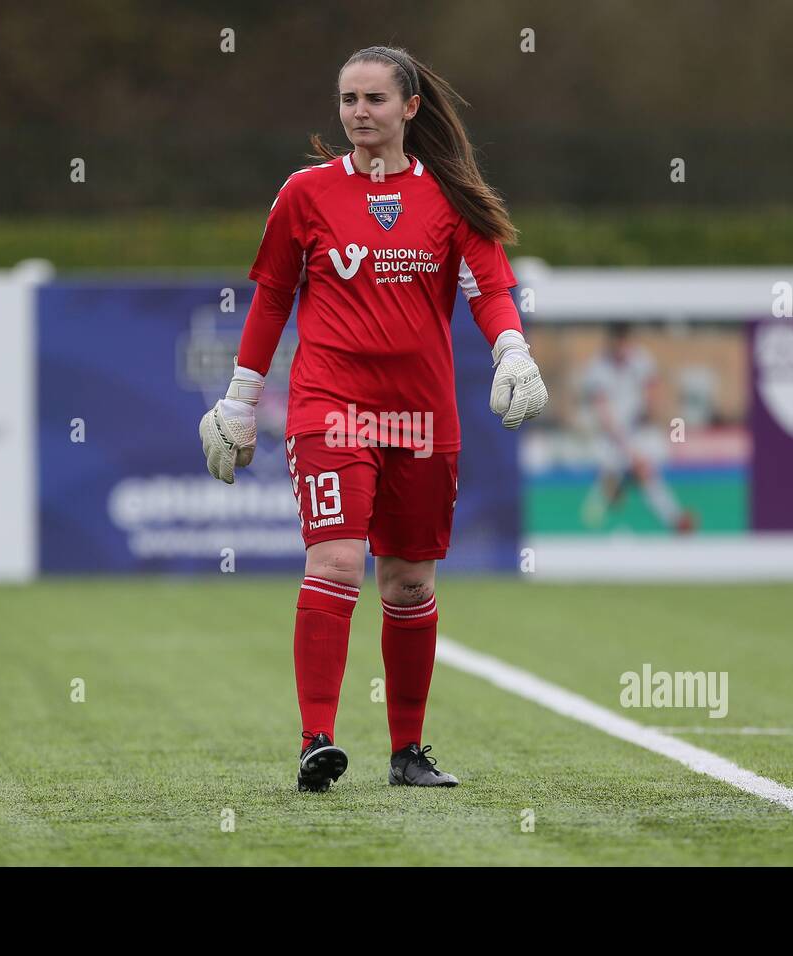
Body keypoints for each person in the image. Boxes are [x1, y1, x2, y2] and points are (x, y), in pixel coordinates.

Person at [199, 45, 547, 792]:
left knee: (409, 586)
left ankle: (408, 752)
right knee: (335, 562)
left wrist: (513, 349)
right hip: (331, 409)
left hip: (422, 416)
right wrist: (240, 396)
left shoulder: (451, 198)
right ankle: (315, 741)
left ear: (410, 108)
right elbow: (270, 296)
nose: (359, 113)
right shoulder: (305, 193)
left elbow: (488, 287)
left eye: (374, 100)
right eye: (348, 99)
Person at [578, 322, 695, 533]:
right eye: (618, 341)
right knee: (628, 477)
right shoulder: (598, 368)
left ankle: (675, 520)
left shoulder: (641, 359)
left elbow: (653, 392)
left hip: (638, 433)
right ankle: (672, 518)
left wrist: (653, 412)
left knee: (643, 474)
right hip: (610, 438)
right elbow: (605, 416)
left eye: (625, 341)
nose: (622, 347)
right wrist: (627, 448)